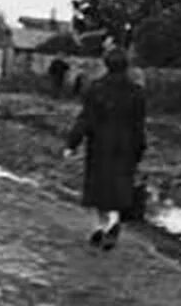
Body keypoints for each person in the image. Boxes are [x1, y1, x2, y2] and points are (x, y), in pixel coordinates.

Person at [63, 47, 147, 250]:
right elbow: (139, 124)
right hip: (126, 146)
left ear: (106, 64)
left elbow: (86, 118)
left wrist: (72, 143)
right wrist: (140, 149)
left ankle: (102, 226)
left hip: (101, 145)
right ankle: (111, 222)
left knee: (99, 188)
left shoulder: (96, 88)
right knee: (119, 186)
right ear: (126, 66)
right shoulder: (136, 92)